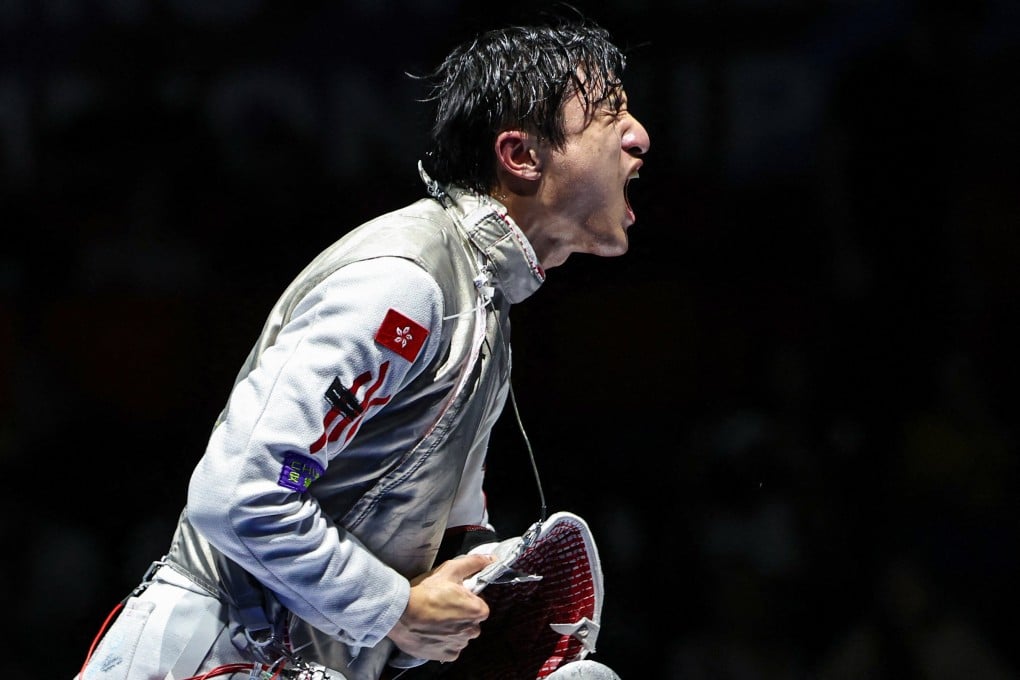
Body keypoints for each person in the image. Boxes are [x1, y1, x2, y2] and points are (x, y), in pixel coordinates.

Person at [75, 12, 649, 680]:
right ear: (521, 156)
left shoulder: (484, 306)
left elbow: (415, 556)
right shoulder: (407, 283)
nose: (638, 136)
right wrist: (396, 606)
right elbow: (244, 493)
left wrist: (464, 600)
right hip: (210, 655)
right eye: (610, 116)